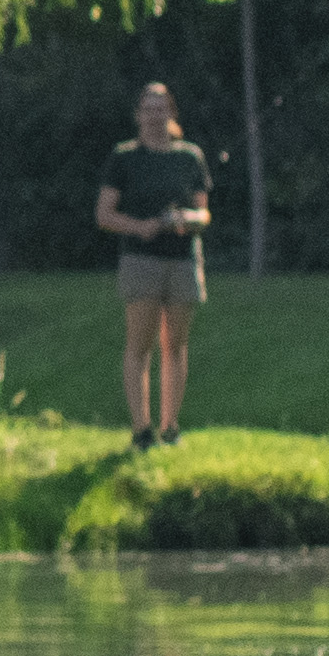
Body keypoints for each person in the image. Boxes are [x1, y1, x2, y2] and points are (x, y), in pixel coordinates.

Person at [82, 76, 216, 444]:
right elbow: (104, 214)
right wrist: (141, 227)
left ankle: (170, 426)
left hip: (183, 260)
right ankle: (142, 428)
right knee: (140, 344)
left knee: (176, 344)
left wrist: (186, 220)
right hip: (141, 260)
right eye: (149, 109)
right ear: (138, 115)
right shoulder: (124, 157)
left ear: (171, 113)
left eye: (162, 109)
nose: (155, 115)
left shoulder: (190, 156)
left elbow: (204, 214)